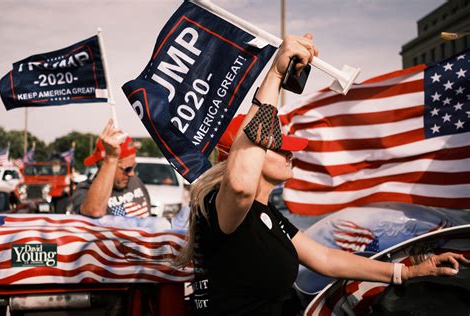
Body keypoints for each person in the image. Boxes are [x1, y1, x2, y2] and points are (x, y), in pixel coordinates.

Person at [175, 34, 470, 315]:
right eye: (280, 148)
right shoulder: (224, 206)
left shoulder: (266, 214)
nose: (291, 154)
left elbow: (325, 259)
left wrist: (405, 272)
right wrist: (275, 76)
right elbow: (240, 185)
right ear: (251, 157)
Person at [71, 119, 151, 218]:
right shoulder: (84, 190)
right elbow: (95, 211)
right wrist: (111, 157)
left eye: (133, 167)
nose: (132, 174)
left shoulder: (134, 181)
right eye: (127, 169)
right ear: (104, 165)